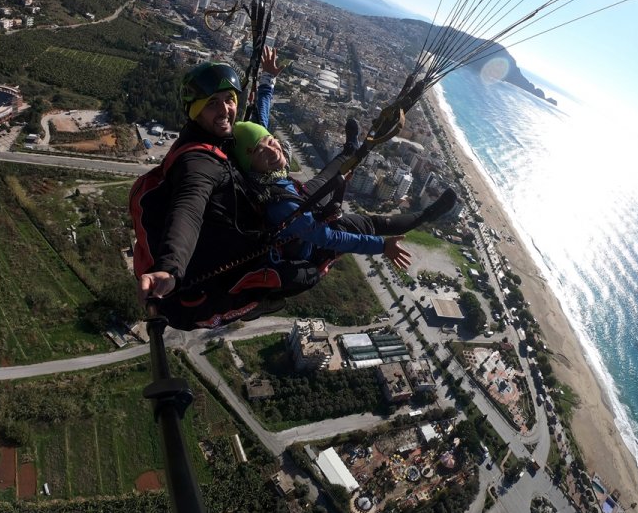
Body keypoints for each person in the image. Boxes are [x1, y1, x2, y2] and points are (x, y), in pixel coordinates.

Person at [233, 49, 457, 269]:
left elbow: (261, 121)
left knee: (332, 172)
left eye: (272, 142)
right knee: (373, 223)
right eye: (263, 152)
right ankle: (428, 214)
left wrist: (267, 79)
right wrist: (380, 246)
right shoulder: (280, 206)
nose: (273, 150)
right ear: (251, 163)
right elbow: (327, 237)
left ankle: (350, 149)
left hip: (298, 196)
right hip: (308, 240)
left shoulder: (260, 168)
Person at [135, 60, 266, 327]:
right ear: (196, 112)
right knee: (300, 272)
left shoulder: (212, 140)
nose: (225, 110)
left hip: (207, 255)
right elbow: (189, 209)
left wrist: (268, 83)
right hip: (196, 292)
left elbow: (260, 130)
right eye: (212, 103)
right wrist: (170, 267)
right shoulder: (199, 162)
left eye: (229, 100)